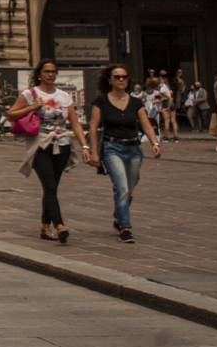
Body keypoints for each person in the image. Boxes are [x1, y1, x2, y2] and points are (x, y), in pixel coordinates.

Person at [8, 60, 90, 243]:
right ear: (39, 74)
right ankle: (60, 225)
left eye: (53, 72)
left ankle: (45, 226)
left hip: (62, 144)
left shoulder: (63, 96)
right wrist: (32, 107)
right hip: (40, 145)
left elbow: (75, 123)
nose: (50, 75)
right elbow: (11, 114)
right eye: (47, 71)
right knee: (50, 185)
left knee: (51, 187)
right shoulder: (30, 94)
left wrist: (84, 146)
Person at [88, 64, 161, 243]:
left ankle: (118, 214)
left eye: (124, 77)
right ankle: (125, 227)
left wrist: (155, 142)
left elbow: (145, 124)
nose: (121, 79)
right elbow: (93, 127)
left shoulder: (136, 102)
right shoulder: (101, 101)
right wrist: (93, 153)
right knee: (122, 187)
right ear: (110, 80)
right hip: (112, 148)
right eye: (117, 77)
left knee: (129, 188)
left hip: (134, 149)